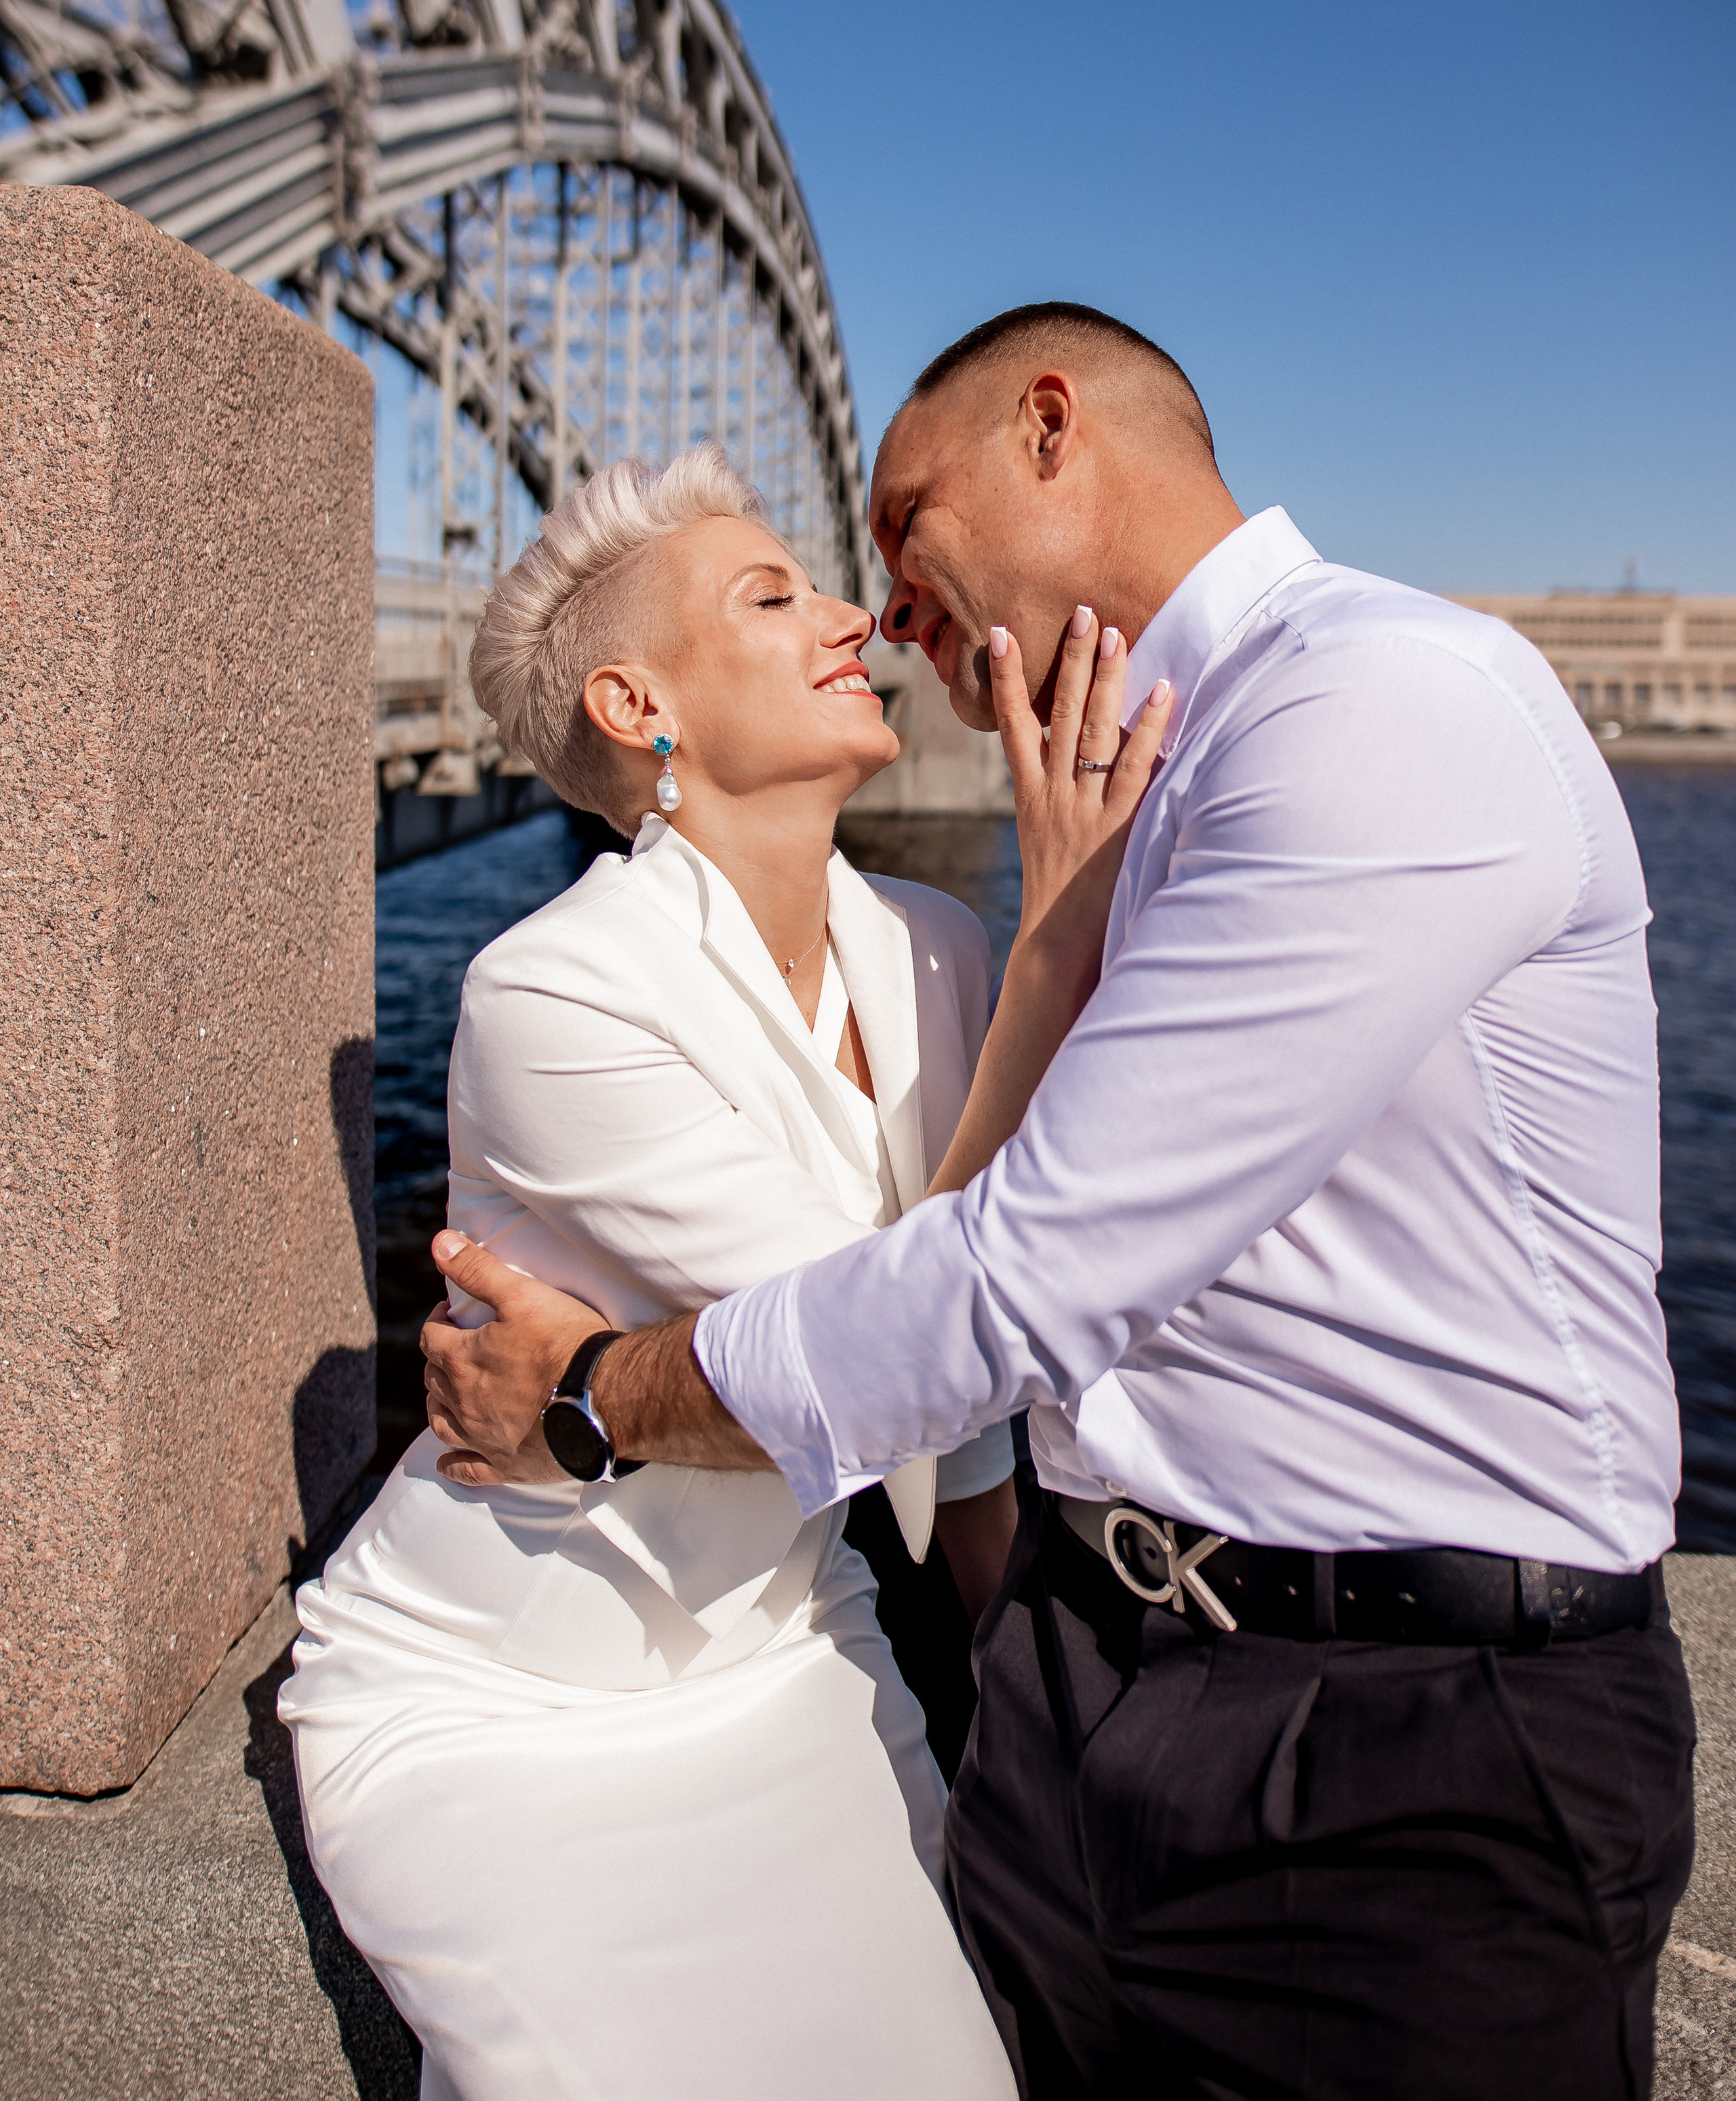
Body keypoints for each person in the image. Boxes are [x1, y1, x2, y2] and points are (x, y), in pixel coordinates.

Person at [425, 304, 1696, 2101]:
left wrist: (594, 1392)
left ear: (1048, 430)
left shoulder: (1374, 700)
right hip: (1076, 1690)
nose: (885, 606)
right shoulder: (1124, 793)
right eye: (809, 582)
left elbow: (1025, 1274)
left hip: (1401, 1754)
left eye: (898, 526)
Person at [281, 441, 1166, 2101]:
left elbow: (964, 1421)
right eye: (776, 595)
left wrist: (1021, 1717)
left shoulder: (937, 946)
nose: (850, 618)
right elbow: (889, 1351)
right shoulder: (549, 995)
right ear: (637, 708)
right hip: (508, 1703)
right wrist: (1058, 942)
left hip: (788, 1649)